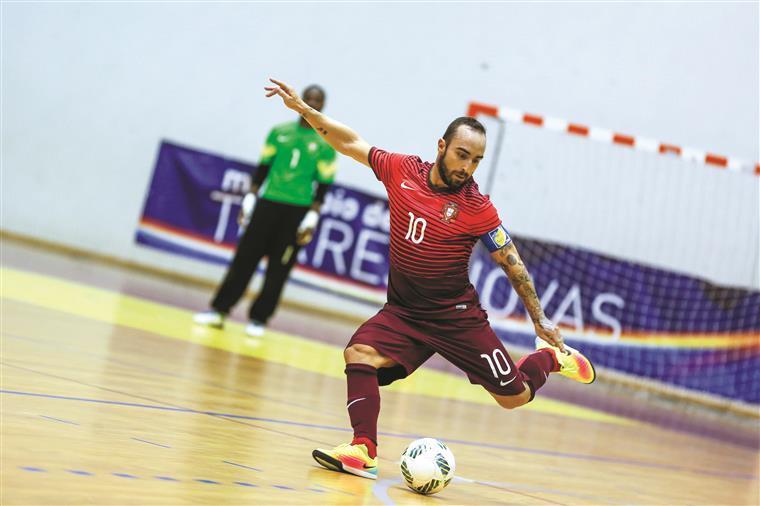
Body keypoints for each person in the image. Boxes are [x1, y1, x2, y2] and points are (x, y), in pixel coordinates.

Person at [265, 78, 595, 480]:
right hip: (404, 313)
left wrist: (540, 323)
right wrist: (305, 111)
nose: (467, 167)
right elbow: (350, 142)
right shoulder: (402, 171)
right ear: (441, 147)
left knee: (515, 397)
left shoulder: (477, 208)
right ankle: (363, 448)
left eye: (476, 160)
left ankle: (552, 360)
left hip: (456, 318)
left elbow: (514, 265)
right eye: (461, 155)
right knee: (358, 354)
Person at [193, 84, 337, 337]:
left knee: (279, 269)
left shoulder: (326, 143)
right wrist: (251, 196)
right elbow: (262, 167)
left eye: (318, 100)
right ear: (301, 100)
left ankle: (259, 319)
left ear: (323, 105)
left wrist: (313, 215)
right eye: (309, 98)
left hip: (297, 210)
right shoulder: (279, 133)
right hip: (268, 203)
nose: (313, 103)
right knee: (244, 260)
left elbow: (324, 184)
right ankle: (219, 311)